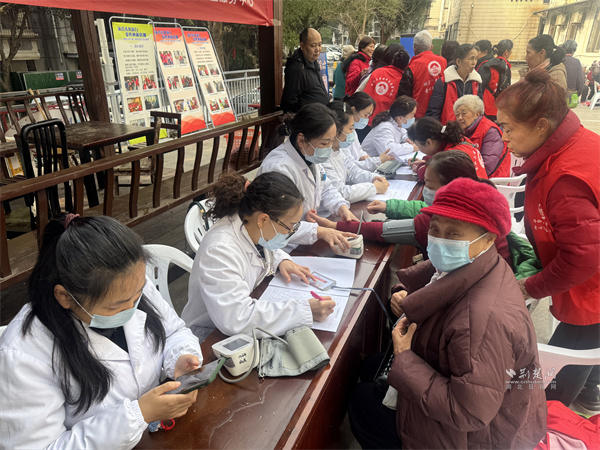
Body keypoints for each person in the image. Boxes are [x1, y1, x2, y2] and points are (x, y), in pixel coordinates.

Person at [347, 177, 547, 449]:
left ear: (488, 238)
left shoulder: (482, 321)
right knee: (372, 365)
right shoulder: (479, 262)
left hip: (474, 437)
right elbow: (434, 278)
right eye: (435, 229)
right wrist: (404, 290)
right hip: (467, 389)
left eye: (453, 234)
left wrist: (405, 357)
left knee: (361, 401)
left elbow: (468, 413)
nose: (439, 240)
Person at [0, 215, 202, 448]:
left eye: (137, 296)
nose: (132, 309)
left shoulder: (129, 284)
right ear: (65, 297)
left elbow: (174, 331)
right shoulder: (23, 354)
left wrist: (179, 357)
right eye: (116, 307)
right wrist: (137, 416)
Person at [497, 68, 600, 412]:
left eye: (508, 128)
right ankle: (589, 394)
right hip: (587, 281)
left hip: (591, 291)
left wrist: (531, 286)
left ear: (541, 125)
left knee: (560, 369)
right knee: (587, 352)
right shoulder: (574, 143)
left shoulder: (566, 176)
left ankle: (543, 419)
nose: (504, 137)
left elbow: (582, 258)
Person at [313, 151, 540, 278]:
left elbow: (382, 231)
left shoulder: (443, 221)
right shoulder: (479, 194)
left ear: (450, 186)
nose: (426, 191)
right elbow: (420, 209)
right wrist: (389, 206)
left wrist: (333, 227)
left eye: (429, 185)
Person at [182, 172, 336, 340]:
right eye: (290, 226)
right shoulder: (219, 251)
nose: (290, 232)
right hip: (210, 336)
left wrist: (281, 260)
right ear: (263, 220)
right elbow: (237, 318)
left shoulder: (249, 223)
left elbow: (262, 247)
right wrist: (304, 311)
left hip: (243, 314)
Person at [257, 103, 358, 249]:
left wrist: (340, 206)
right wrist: (318, 231)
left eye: (332, 141)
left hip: (307, 237)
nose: (329, 148)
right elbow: (277, 221)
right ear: (301, 140)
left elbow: (325, 187)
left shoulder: (309, 155)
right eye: (325, 143)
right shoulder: (278, 168)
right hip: (285, 247)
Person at [321, 101, 389, 203]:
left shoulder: (338, 150)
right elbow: (339, 192)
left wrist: (374, 178)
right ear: (335, 130)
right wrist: (373, 188)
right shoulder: (323, 157)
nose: (352, 132)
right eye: (350, 128)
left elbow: (352, 171)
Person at [407, 116, 487, 180]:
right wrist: (427, 161)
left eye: (417, 145)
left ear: (429, 142)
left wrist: (420, 166)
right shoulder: (460, 139)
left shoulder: (449, 157)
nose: (418, 148)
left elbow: (425, 175)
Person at [454, 94, 510, 177]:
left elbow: (487, 167)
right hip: (472, 174)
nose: (460, 118)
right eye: (457, 115)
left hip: (492, 178)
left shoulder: (490, 131)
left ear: (477, 114)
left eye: (464, 113)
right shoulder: (463, 130)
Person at [427, 43, 482, 124]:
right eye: (471, 58)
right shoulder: (444, 82)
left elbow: (479, 110)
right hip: (448, 128)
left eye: (476, 58)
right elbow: (434, 110)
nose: (474, 62)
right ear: (459, 62)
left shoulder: (476, 82)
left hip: (470, 129)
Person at [397, 30, 447, 118]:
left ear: (414, 49)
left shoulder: (412, 67)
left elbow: (404, 97)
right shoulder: (443, 62)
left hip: (418, 116)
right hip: (439, 115)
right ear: (431, 47)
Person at [280, 28, 329, 113]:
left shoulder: (314, 62)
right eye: (313, 45)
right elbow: (289, 102)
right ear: (302, 46)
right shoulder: (297, 68)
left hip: (321, 116)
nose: (317, 49)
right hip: (307, 118)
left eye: (319, 45)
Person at [362, 44, 411, 127]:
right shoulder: (403, 79)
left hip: (368, 118)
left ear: (393, 61)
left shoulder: (377, 72)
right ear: (406, 65)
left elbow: (365, 94)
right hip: (386, 122)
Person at [362, 95, 418, 160]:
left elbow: (402, 131)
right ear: (400, 117)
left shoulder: (396, 121)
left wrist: (406, 138)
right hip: (369, 161)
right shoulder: (384, 128)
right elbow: (389, 150)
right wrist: (412, 148)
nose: (413, 118)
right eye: (412, 115)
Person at [475, 39, 509, 120]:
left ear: (485, 52)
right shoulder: (495, 63)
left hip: (485, 107)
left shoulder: (485, 66)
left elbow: (479, 87)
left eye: (477, 51)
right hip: (493, 105)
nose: (475, 54)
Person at [560, 39, 585, 105]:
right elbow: (580, 80)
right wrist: (577, 93)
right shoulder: (576, 62)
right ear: (573, 51)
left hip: (555, 93)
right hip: (569, 94)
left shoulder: (558, 59)